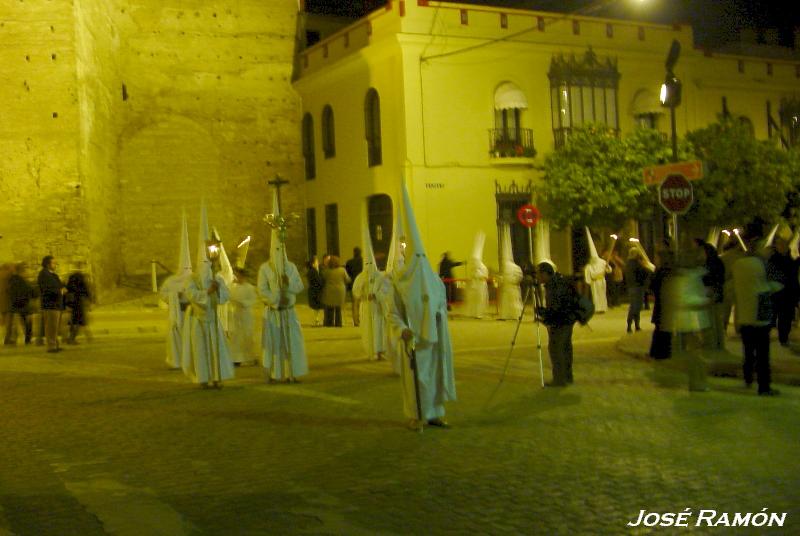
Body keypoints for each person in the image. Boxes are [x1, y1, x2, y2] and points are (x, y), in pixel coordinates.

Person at [388, 181, 456, 429]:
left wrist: (439, 321)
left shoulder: (435, 281)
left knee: (434, 376)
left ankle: (435, 412)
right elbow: (393, 312)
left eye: (421, 257)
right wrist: (402, 330)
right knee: (416, 379)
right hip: (414, 337)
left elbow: (440, 305)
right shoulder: (400, 283)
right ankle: (415, 415)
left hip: (435, 338)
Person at [181, 205, 235, 388]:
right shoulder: (192, 279)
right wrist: (207, 292)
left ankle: (217, 376)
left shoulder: (216, 276)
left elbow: (225, 297)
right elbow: (192, 295)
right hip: (200, 321)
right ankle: (204, 378)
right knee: (202, 351)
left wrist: (218, 289)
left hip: (213, 320)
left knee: (216, 349)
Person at [258, 191, 308, 383]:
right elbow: (262, 291)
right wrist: (277, 297)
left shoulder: (291, 267)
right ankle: (274, 373)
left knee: (291, 343)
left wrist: (289, 287)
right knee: (274, 344)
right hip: (274, 313)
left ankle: (292, 373)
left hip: (289, 312)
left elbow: (299, 286)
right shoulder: (265, 269)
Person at [733, 226, 782, 396]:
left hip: (744, 314)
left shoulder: (738, 263)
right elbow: (774, 285)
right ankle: (764, 386)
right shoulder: (762, 264)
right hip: (760, 313)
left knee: (748, 351)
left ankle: (748, 378)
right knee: (762, 353)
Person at [536, 262, 578, 387]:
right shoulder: (558, 282)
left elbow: (555, 308)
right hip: (568, 319)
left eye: (538, 274)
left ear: (544, 274)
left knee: (556, 349)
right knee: (565, 348)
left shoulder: (554, 287)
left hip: (561, 321)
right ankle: (567, 376)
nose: (537, 277)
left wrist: (543, 314)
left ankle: (559, 379)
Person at [352, 215, 385, 361]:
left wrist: (377, 295)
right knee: (368, 329)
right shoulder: (361, 277)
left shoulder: (380, 276)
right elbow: (356, 291)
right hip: (366, 306)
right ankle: (370, 351)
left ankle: (379, 351)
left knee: (379, 329)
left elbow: (385, 290)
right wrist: (364, 295)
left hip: (377, 306)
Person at [766, 235, 800, 347]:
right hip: (776, 293)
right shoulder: (773, 260)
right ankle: (772, 336)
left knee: (785, 318)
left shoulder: (791, 261)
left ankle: (783, 338)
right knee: (774, 315)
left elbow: (794, 278)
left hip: (787, 294)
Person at [696, 240, 726, 350]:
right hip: (716, 294)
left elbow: (710, 279)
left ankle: (711, 344)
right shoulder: (718, 262)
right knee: (716, 321)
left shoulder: (708, 265)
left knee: (710, 321)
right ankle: (718, 344)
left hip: (710, 294)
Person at [229, 267, 259, 366]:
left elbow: (254, 300)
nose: (238, 278)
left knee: (247, 335)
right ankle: (236, 358)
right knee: (236, 336)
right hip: (237, 313)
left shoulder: (249, 287)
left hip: (246, 313)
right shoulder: (234, 287)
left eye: (240, 276)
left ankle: (249, 357)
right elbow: (230, 298)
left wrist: (244, 303)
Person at [648, 249, 674, 359]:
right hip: (664, 303)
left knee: (661, 329)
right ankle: (661, 352)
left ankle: (658, 352)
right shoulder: (666, 271)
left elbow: (653, 285)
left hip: (663, 303)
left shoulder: (662, 271)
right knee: (663, 329)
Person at [5, 263, 36, 346]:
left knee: (20, 324)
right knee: (26, 324)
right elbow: (27, 291)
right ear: (22, 271)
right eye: (26, 270)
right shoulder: (20, 280)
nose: (28, 272)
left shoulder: (13, 280)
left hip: (16, 305)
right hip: (22, 305)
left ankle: (14, 340)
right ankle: (27, 340)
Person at [38, 255, 64, 353]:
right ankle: (51, 346)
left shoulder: (52, 274)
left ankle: (55, 345)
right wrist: (60, 291)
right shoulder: (44, 275)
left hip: (56, 304)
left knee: (55, 327)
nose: (55, 264)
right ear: (47, 264)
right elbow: (49, 289)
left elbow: (59, 285)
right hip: (50, 304)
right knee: (51, 327)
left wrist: (62, 288)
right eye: (53, 263)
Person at [624, 247, 654, 333]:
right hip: (638, 287)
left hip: (631, 287)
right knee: (636, 307)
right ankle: (633, 325)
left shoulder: (628, 264)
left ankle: (634, 325)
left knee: (634, 306)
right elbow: (645, 272)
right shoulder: (636, 264)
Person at [497, 224, 523, 320]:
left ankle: (516, 315)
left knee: (514, 302)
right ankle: (505, 315)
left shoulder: (515, 267)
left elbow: (519, 276)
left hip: (512, 288)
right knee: (505, 303)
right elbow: (503, 276)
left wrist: (511, 281)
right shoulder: (505, 267)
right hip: (506, 288)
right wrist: (502, 279)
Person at [583, 227, 611, 314]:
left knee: (602, 295)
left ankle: (603, 307)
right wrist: (589, 281)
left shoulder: (602, 262)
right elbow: (588, 275)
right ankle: (597, 308)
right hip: (595, 282)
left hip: (601, 280)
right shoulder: (589, 266)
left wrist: (607, 267)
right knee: (596, 296)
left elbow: (609, 270)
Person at [464, 232, 489, 319]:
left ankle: (479, 314)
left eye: (475, 261)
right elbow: (470, 276)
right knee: (472, 300)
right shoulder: (473, 268)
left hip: (481, 286)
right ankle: (472, 313)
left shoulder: (483, 268)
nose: (474, 262)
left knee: (479, 300)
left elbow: (485, 277)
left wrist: (478, 276)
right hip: (474, 286)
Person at [65, 269, 91, 344]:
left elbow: (67, 293)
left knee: (76, 321)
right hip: (80, 303)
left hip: (74, 304)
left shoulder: (70, 284)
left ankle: (71, 338)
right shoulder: (81, 284)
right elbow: (86, 292)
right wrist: (89, 301)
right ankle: (72, 338)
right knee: (80, 321)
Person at [321, 256, 349, 327]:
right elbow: (347, 279)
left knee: (329, 308)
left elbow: (323, 279)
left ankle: (329, 323)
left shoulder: (326, 271)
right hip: (340, 291)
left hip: (329, 290)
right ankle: (338, 323)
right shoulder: (342, 270)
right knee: (338, 309)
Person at [345, 247, 363, 326]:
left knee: (355, 304)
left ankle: (356, 321)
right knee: (362, 303)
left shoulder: (349, 262)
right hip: (362, 284)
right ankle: (362, 319)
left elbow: (347, 274)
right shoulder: (363, 261)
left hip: (353, 284)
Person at [306, 256, 324, 326]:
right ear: (313, 264)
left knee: (315, 308)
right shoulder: (313, 271)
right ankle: (316, 321)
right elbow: (318, 281)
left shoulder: (311, 271)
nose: (318, 263)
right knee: (316, 307)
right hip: (315, 291)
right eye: (317, 262)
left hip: (312, 290)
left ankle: (316, 320)